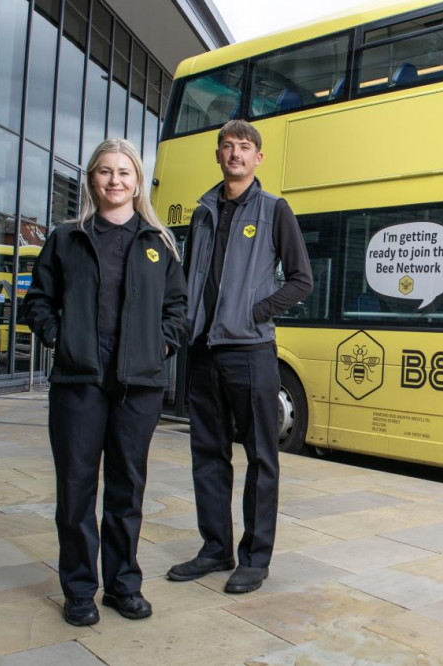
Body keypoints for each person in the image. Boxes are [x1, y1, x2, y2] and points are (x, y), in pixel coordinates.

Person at [23, 138, 188, 626]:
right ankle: (78, 589)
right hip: (79, 378)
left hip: (138, 382)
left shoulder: (158, 243)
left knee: (126, 488)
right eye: (105, 172)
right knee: (76, 488)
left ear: (138, 182)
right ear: (92, 179)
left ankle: (122, 586)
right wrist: (61, 339)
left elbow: (177, 310)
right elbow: (38, 300)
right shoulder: (66, 237)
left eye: (124, 172)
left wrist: (159, 346)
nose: (115, 181)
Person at [167, 119, 312, 593]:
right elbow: (192, 276)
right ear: (217, 155)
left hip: (250, 350)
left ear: (258, 158)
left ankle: (254, 558)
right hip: (203, 350)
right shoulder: (203, 211)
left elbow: (300, 279)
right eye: (228, 146)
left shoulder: (275, 210)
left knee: (261, 457)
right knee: (207, 455)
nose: (235, 154)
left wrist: (255, 311)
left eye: (244, 148)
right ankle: (215, 549)